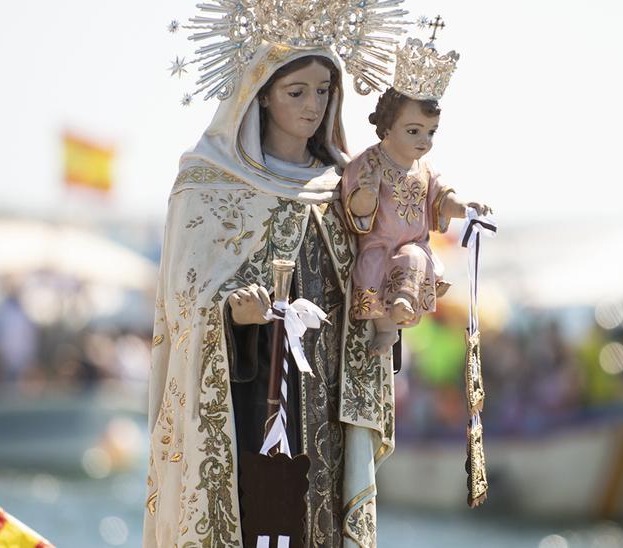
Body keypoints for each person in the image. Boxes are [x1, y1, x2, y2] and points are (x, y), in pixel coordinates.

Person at [144, 44, 396, 547]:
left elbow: (365, 285)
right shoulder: (207, 185)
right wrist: (232, 316)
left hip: (325, 398)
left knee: (316, 515)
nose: (313, 106)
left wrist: (390, 304)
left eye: (324, 92)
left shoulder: (349, 189)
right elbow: (184, 304)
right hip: (245, 394)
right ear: (260, 97)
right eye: (296, 92)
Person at [341, 86, 490, 356]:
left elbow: (443, 199)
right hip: (378, 246)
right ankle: (387, 330)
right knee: (371, 270)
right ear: (387, 127)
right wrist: (367, 192)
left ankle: (404, 300)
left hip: (415, 245)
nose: (424, 140)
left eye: (430, 132)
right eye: (414, 131)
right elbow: (356, 210)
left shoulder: (426, 168)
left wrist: (465, 208)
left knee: (413, 257)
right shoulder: (368, 164)